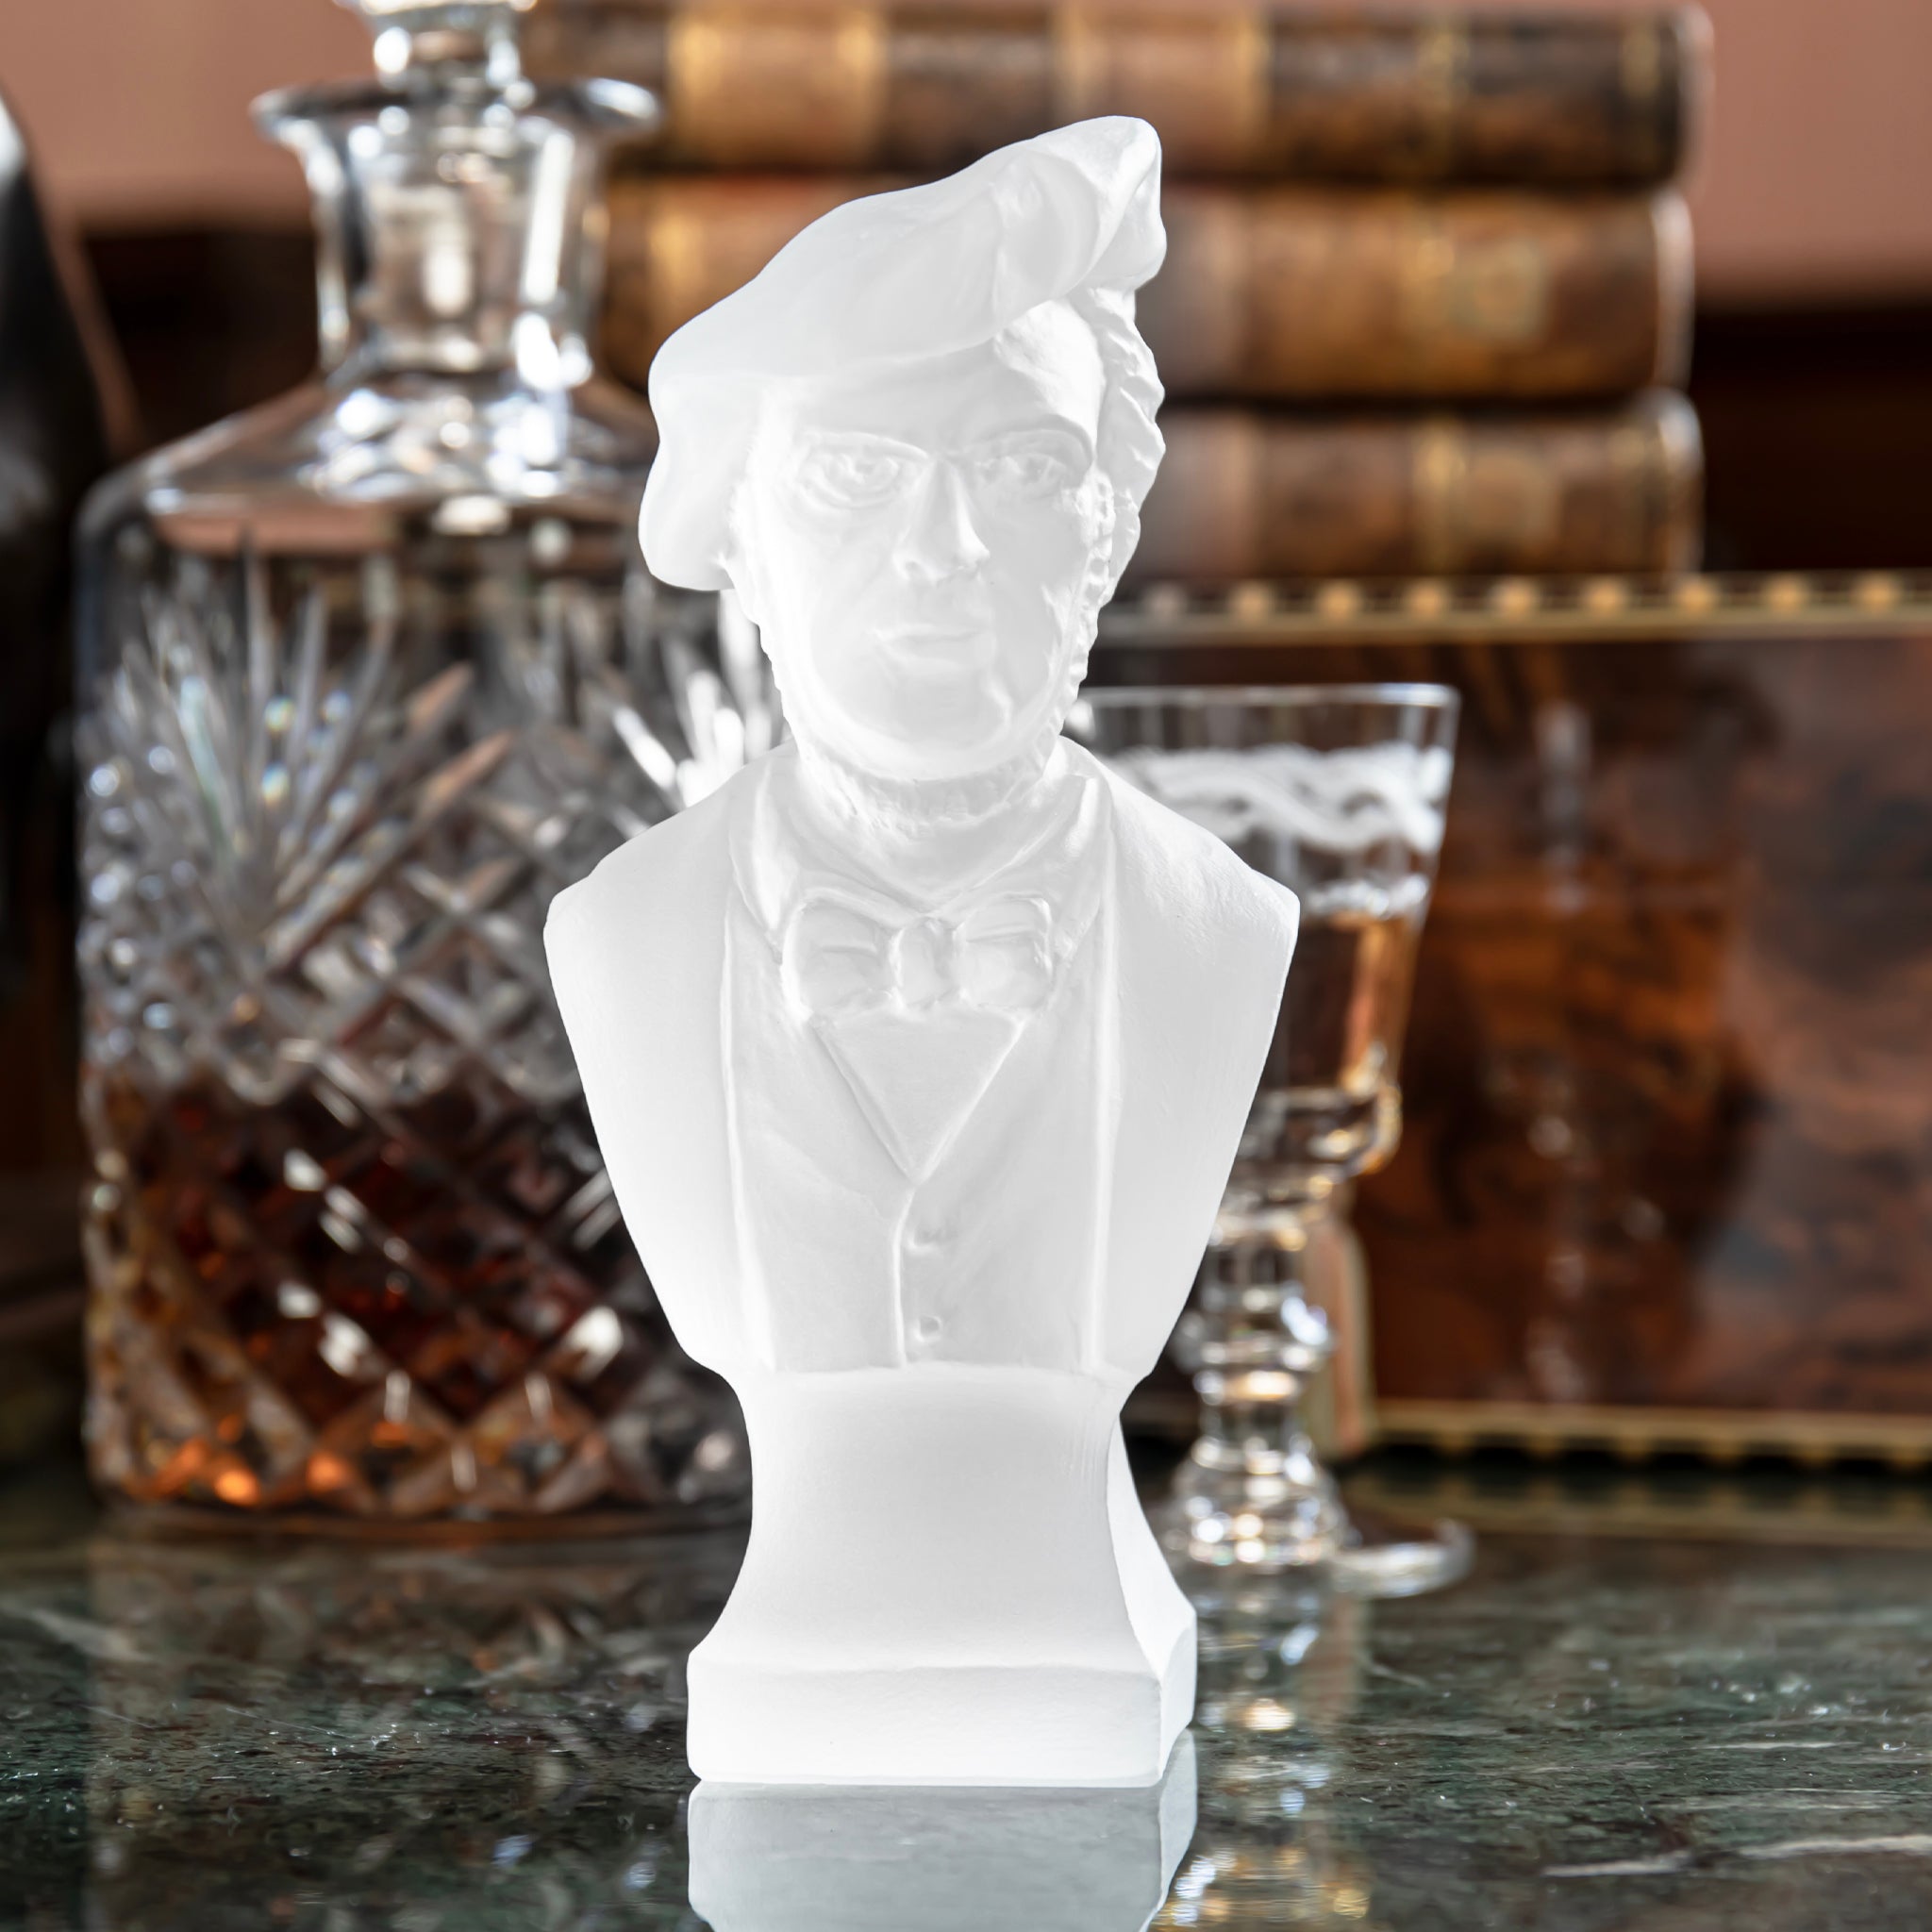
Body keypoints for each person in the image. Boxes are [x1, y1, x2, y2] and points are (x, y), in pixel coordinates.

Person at [545, 117, 1297, 1786]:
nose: (942, 550)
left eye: (1019, 470)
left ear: (1105, 533)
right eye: (857, 475)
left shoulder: (1218, 929)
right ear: (746, 546)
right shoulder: (624, 936)